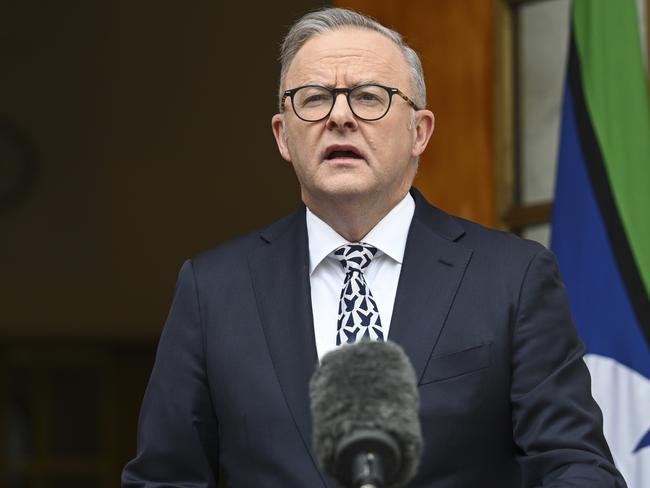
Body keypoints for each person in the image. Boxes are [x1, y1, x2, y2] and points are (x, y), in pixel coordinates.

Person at [122, 7, 626, 487]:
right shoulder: (213, 290)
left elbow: (576, 467)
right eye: (314, 97)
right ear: (282, 136)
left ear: (419, 131)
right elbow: (165, 477)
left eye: (369, 96)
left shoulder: (513, 277)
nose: (339, 116)